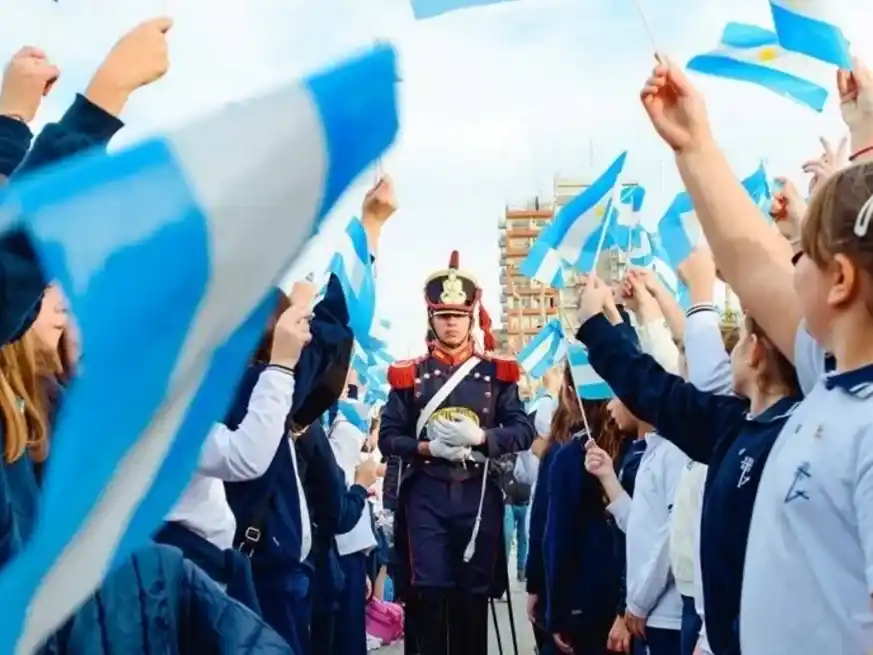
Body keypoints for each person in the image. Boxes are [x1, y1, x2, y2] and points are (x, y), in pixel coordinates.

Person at [639, 54, 873, 654]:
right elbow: (752, 263)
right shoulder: (832, 374)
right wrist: (695, 146)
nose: (787, 263)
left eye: (802, 254)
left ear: (840, 281)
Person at [379, 250, 535, 655]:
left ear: (472, 317)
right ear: (431, 318)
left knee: (471, 600)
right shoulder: (410, 375)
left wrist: (482, 437)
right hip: (426, 493)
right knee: (428, 597)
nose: (451, 322)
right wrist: (426, 446)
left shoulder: (496, 373)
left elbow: (523, 431)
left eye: (459, 315)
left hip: (476, 493)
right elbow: (388, 437)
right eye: (444, 315)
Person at [542, 366, 625, 655]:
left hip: (587, 600)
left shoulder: (569, 457)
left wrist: (556, 613)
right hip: (629, 597)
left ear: (569, 393)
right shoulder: (637, 446)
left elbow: (558, 540)